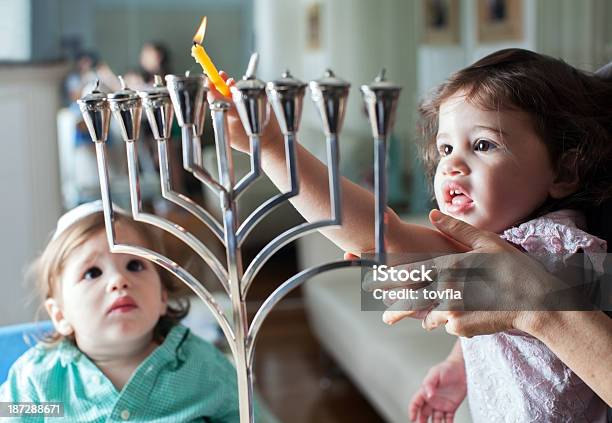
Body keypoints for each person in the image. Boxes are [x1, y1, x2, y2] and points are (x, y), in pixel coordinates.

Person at [207, 48, 612, 422]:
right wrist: (458, 368)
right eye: (446, 148)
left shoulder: (556, 250)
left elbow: (379, 238)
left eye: (484, 144)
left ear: (563, 171)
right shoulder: (511, 248)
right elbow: (502, 319)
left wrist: (275, 149)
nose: (452, 166)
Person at [0, 201, 275, 422]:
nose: (119, 281)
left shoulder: (202, 367)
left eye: (134, 265)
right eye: (92, 273)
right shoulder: (42, 385)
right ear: (60, 315)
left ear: (163, 296)